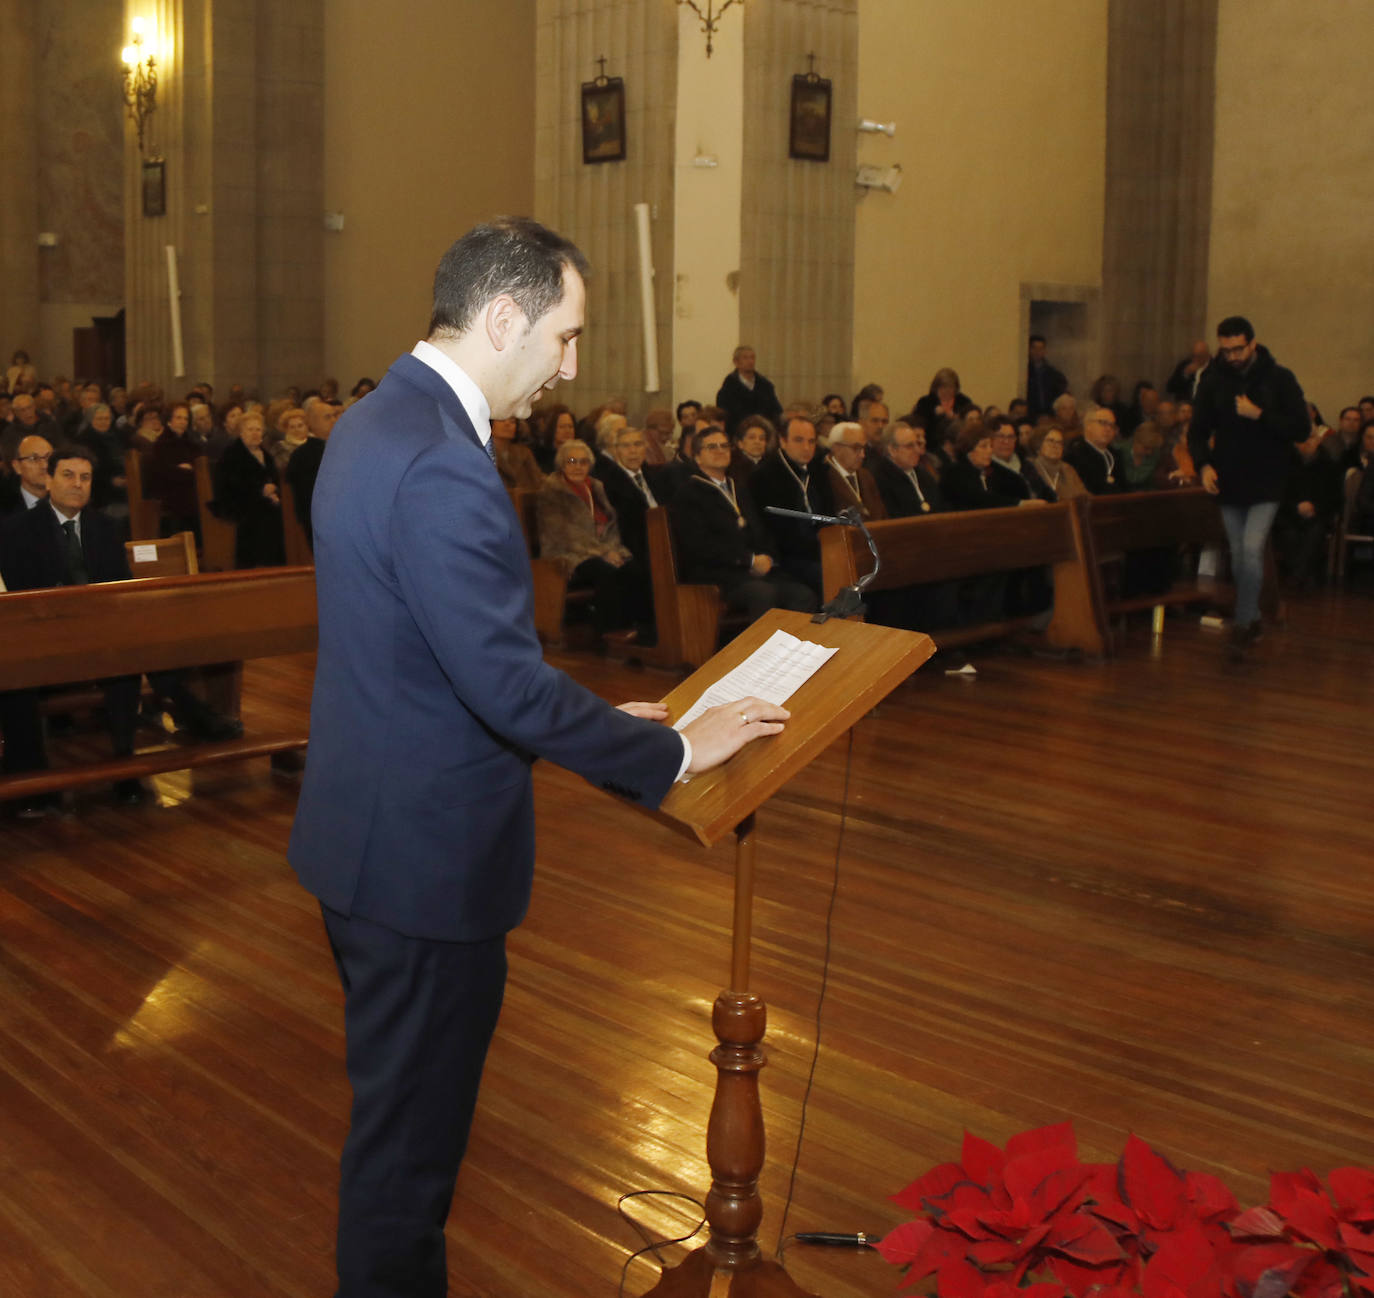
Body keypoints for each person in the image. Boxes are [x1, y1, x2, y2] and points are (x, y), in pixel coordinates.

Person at [286, 217, 787, 1298]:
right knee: (406, 1166)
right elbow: (503, 685)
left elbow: (441, 659)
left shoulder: (375, 424)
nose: (569, 362)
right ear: (503, 315)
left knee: (397, 1137)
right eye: (563, 335)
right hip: (421, 866)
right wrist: (676, 750)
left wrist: (630, 722)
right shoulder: (441, 463)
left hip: (368, 836)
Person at [1189, 314, 1308, 658]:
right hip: (1228, 480)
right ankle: (1252, 617)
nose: (1233, 357)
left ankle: (1242, 624)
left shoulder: (1279, 378)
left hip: (1268, 480)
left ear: (1252, 344)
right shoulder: (1214, 381)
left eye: (1238, 349)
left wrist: (1261, 415)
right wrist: (1203, 465)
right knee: (1239, 554)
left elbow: (1301, 427)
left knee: (1252, 550)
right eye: (1226, 351)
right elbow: (1197, 431)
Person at [669, 425, 817, 621]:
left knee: (803, 595)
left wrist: (768, 558)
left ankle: (792, 650)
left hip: (751, 572)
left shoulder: (738, 488)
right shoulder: (689, 493)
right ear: (697, 456)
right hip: (716, 575)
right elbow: (699, 545)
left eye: (724, 445)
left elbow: (762, 530)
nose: (720, 450)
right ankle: (762, 651)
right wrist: (749, 561)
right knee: (763, 593)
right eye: (712, 447)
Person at [536, 436, 652, 640]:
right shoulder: (552, 490)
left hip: (601, 550)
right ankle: (607, 632)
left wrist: (613, 550)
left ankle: (638, 629)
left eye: (583, 462)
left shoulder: (596, 486)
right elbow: (565, 534)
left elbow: (612, 524)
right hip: (568, 554)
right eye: (572, 461)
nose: (578, 467)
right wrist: (603, 553)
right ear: (562, 464)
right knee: (608, 573)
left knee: (636, 569)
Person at [746, 414, 835, 598]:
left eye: (811, 442)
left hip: (822, 550)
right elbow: (775, 529)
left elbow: (829, 513)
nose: (806, 447)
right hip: (786, 557)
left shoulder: (818, 470)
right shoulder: (764, 476)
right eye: (799, 440)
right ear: (783, 441)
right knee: (831, 577)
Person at [212, 408, 286, 568]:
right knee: (263, 515)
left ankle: (277, 568)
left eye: (258, 429)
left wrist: (273, 489)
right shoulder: (232, 454)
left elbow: (274, 478)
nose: (255, 433)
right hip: (238, 503)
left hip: (265, 501)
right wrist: (260, 490)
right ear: (241, 432)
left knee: (281, 513)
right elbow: (230, 483)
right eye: (250, 429)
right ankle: (257, 566)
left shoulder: (265, 454)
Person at [714, 345, 782, 437]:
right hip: (737, 436)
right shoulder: (727, 389)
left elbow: (776, 411)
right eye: (745, 358)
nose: (750, 361)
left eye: (752, 357)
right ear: (736, 362)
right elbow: (723, 416)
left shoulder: (765, 386)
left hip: (764, 434)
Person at [825, 422, 886, 521]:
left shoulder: (866, 475)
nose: (862, 455)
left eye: (863, 448)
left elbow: (882, 514)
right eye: (856, 448)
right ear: (836, 448)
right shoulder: (825, 476)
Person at [1066, 405, 1122, 494]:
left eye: (1112, 425)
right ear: (1088, 425)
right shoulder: (1075, 455)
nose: (1108, 429)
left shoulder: (1115, 455)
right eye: (1103, 423)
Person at [1022, 426, 1088, 502]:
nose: (1055, 446)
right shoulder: (1029, 468)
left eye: (1059, 442)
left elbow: (1084, 497)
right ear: (1038, 444)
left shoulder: (1068, 469)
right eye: (1050, 441)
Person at [1, 433, 53, 516]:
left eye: (48, 458)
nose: (44, 465)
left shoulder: (68, 502)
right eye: (34, 459)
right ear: (17, 466)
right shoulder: (5, 507)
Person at [1025, 334, 1068, 422]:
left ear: (1044, 350)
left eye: (1041, 349)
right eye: (1034, 348)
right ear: (1029, 349)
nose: (1037, 352)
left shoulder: (1053, 374)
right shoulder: (1025, 372)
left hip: (1050, 416)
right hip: (1030, 415)